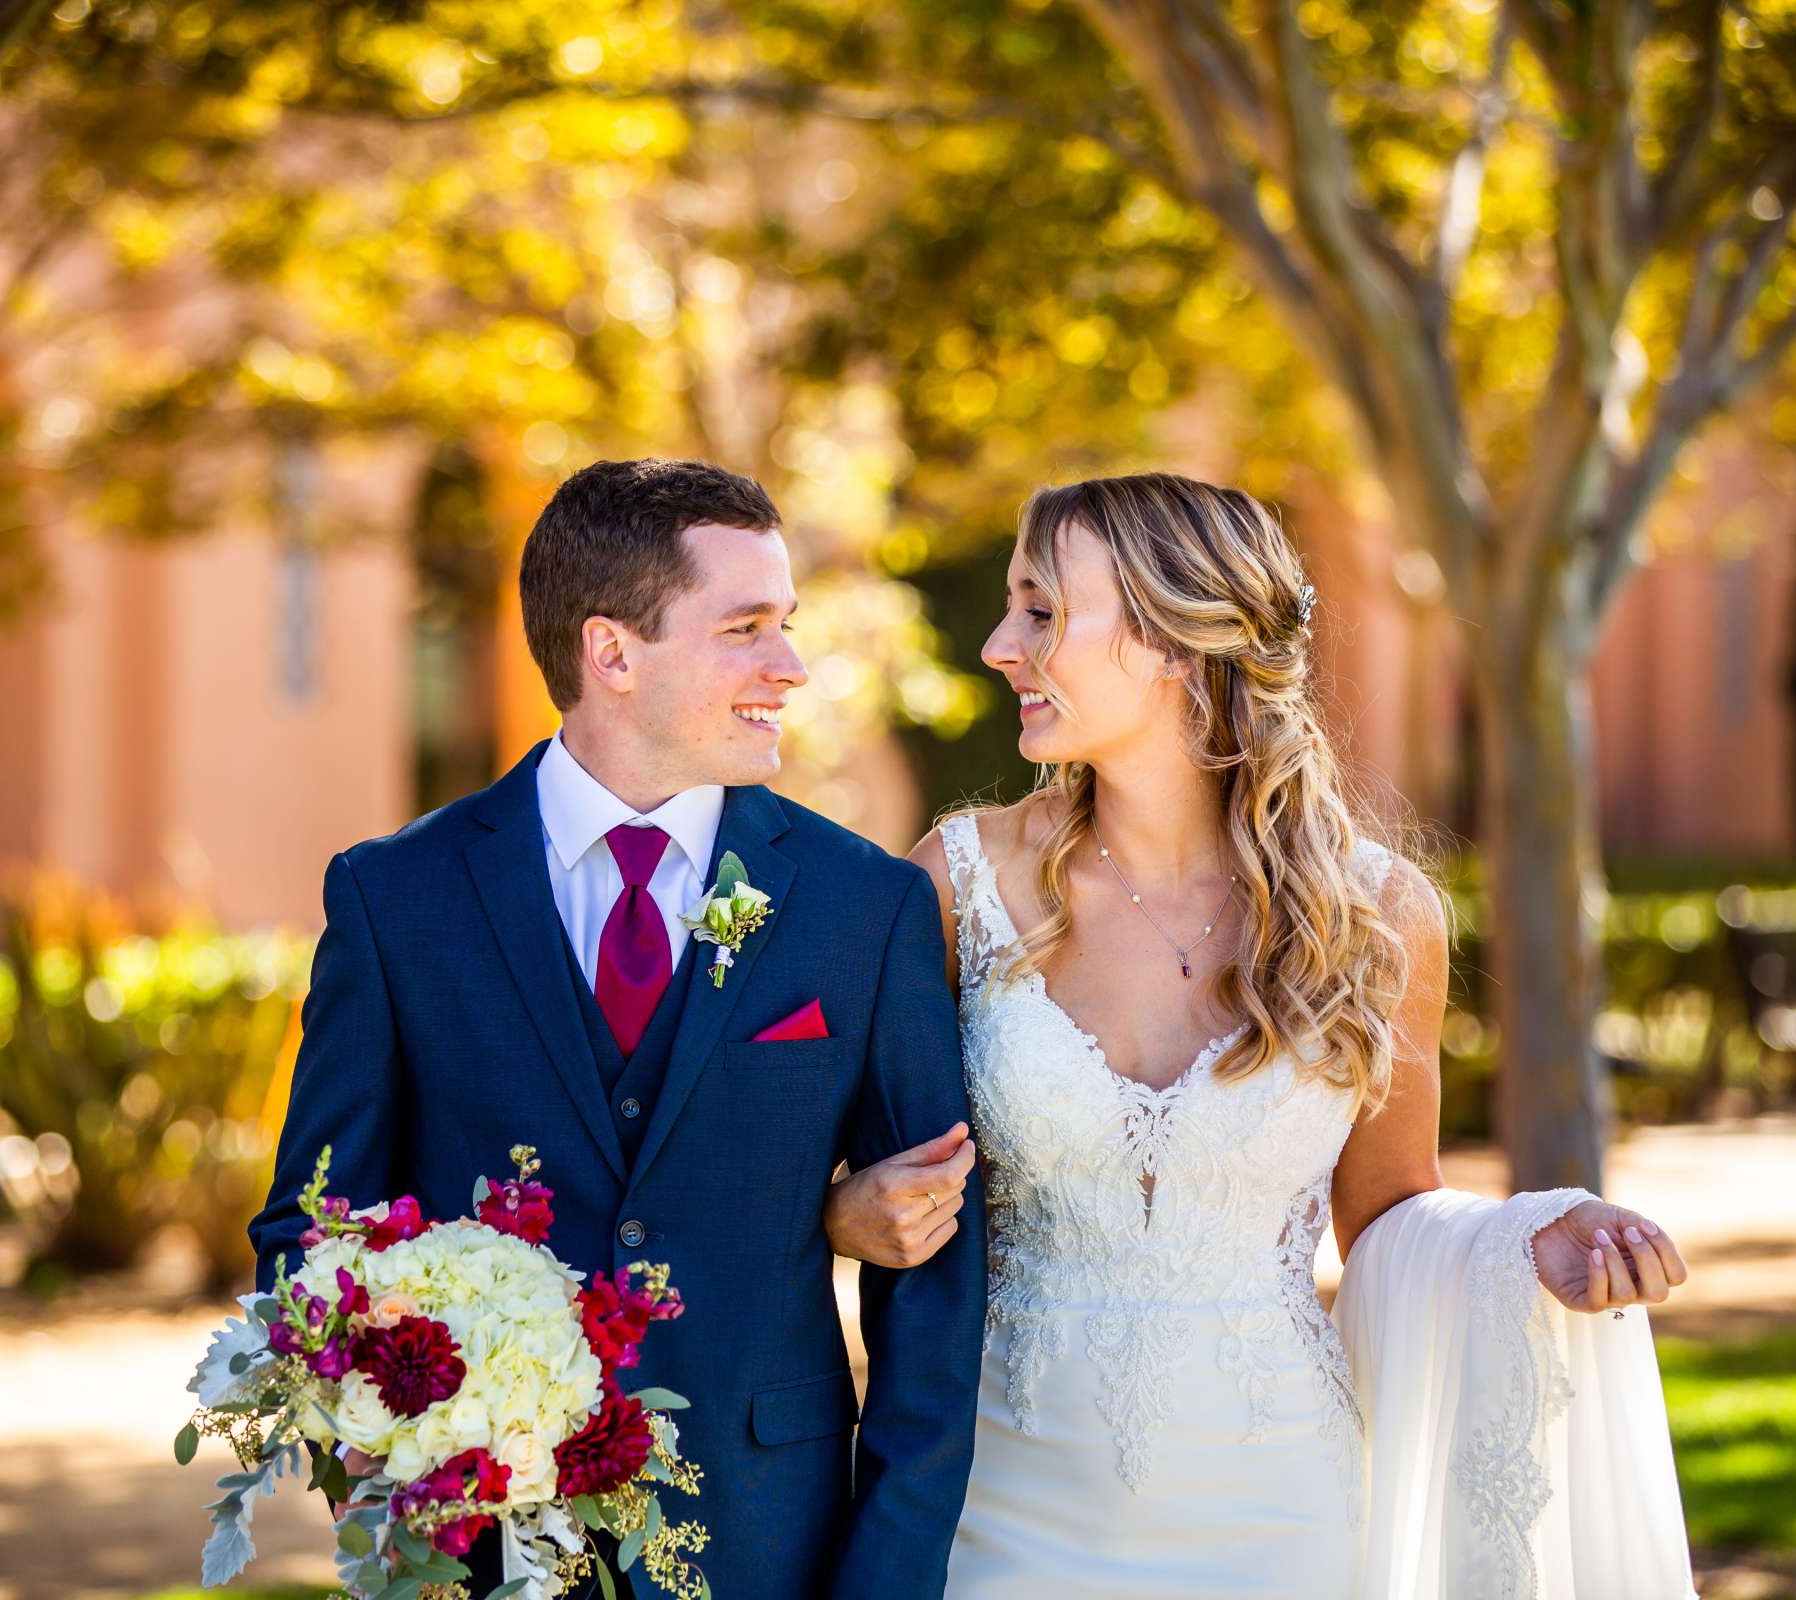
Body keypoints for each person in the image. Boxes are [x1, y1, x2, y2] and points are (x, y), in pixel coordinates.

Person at [824, 471, 1697, 1597]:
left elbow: (1385, 1213)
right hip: (999, 1507)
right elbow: (829, 1161)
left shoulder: (1376, 917)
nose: (1000, 644)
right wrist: (846, 1213)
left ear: (1179, 640)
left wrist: (1527, 1243)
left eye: (1042, 609)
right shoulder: (957, 885)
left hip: (1284, 1514)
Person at [248, 458, 987, 1599]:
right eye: (746, 629)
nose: (789, 667)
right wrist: (395, 1465)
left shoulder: (863, 907)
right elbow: (314, 1232)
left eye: (785, 625)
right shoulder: (398, 899)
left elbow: (936, 1285)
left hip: (768, 1542)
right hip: (474, 1552)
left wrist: (886, 1579)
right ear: (612, 652)